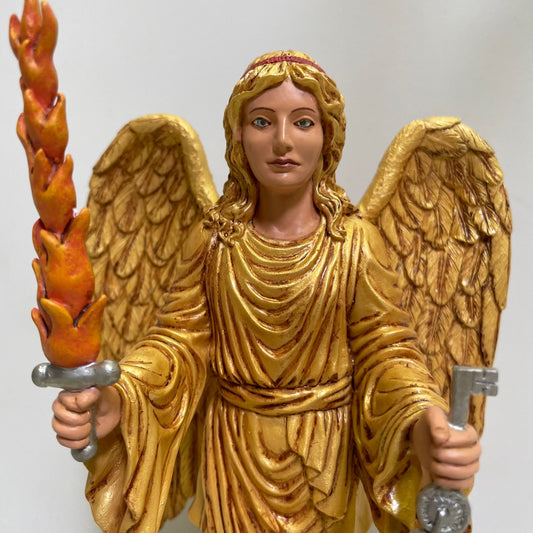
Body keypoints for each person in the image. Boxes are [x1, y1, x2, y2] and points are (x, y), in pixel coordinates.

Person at [52, 51, 481, 533]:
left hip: (327, 459)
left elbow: (386, 355)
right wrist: (121, 398)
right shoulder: (214, 241)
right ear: (238, 134)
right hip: (232, 456)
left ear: (328, 136)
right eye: (262, 121)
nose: (282, 141)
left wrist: (422, 423)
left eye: (303, 122)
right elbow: (176, 346)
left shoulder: (356, 244)